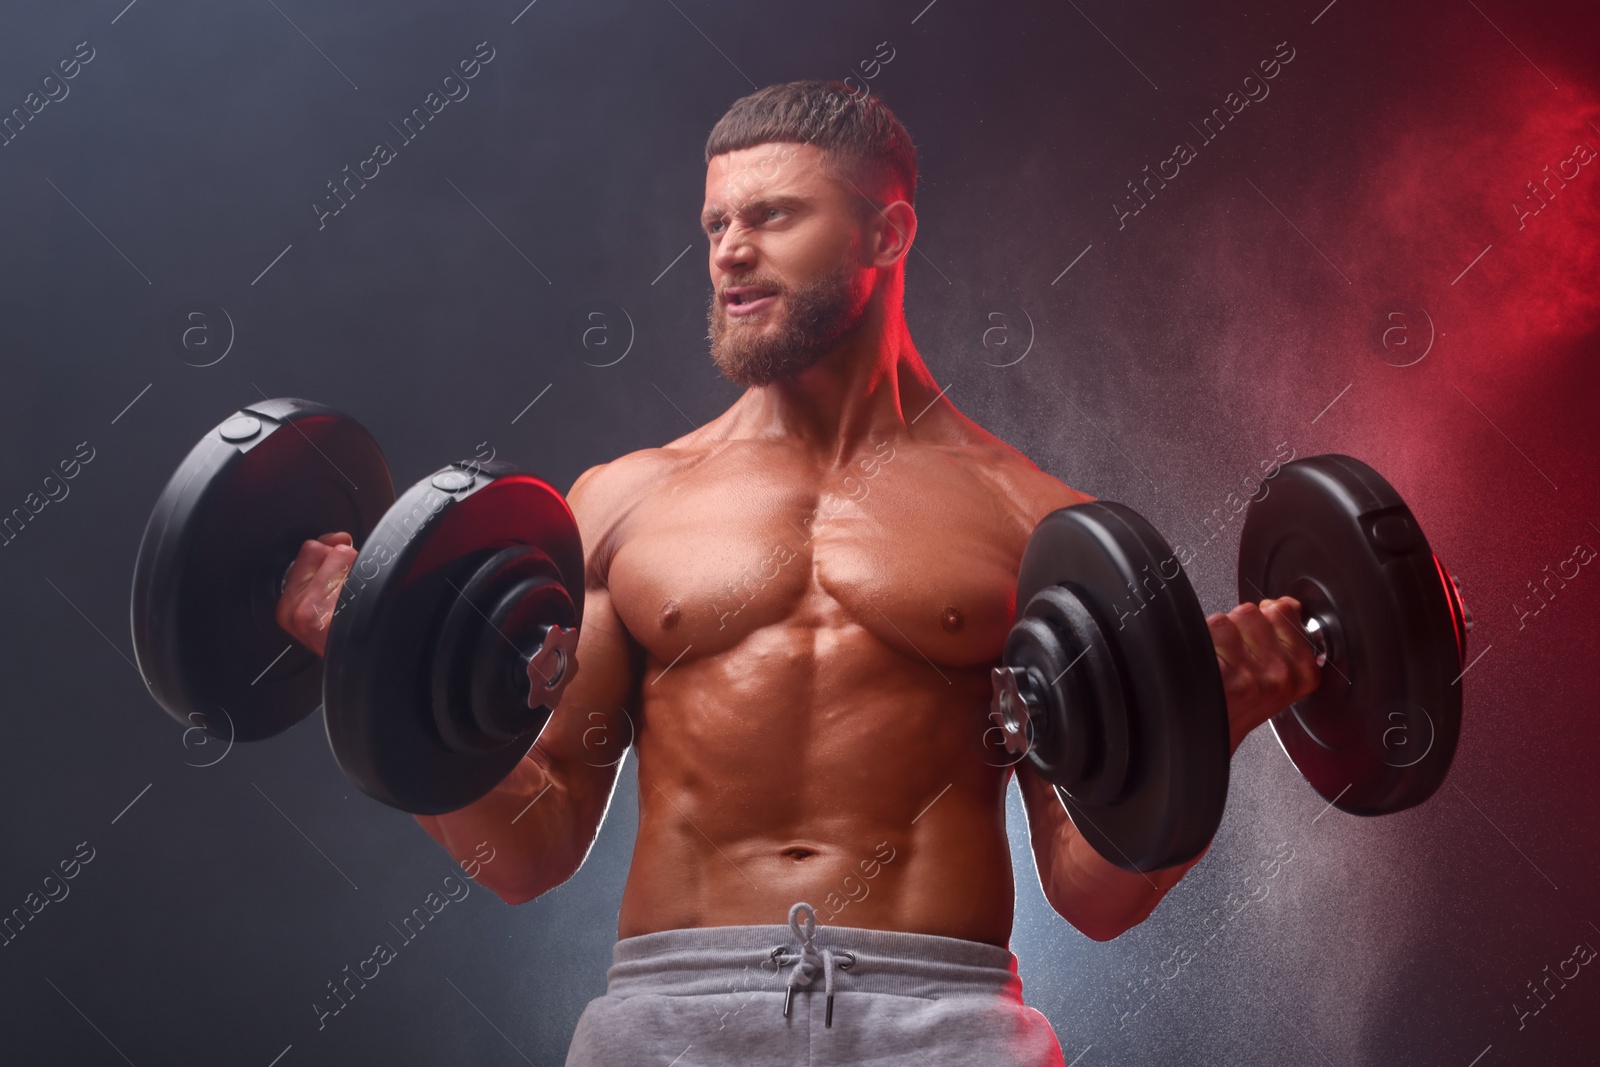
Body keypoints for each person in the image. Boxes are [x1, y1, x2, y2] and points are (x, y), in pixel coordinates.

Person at [276, 80, 1321, 1066]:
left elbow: (1092, 894)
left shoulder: (1034, 522)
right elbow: (529, 847)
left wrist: (1208, 732)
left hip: (942, 1018)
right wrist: (373, 662)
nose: (731, 252)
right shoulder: (621, 504)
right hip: (669, 1018)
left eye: (773, 217)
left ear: (887, 232)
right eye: (717, 225)